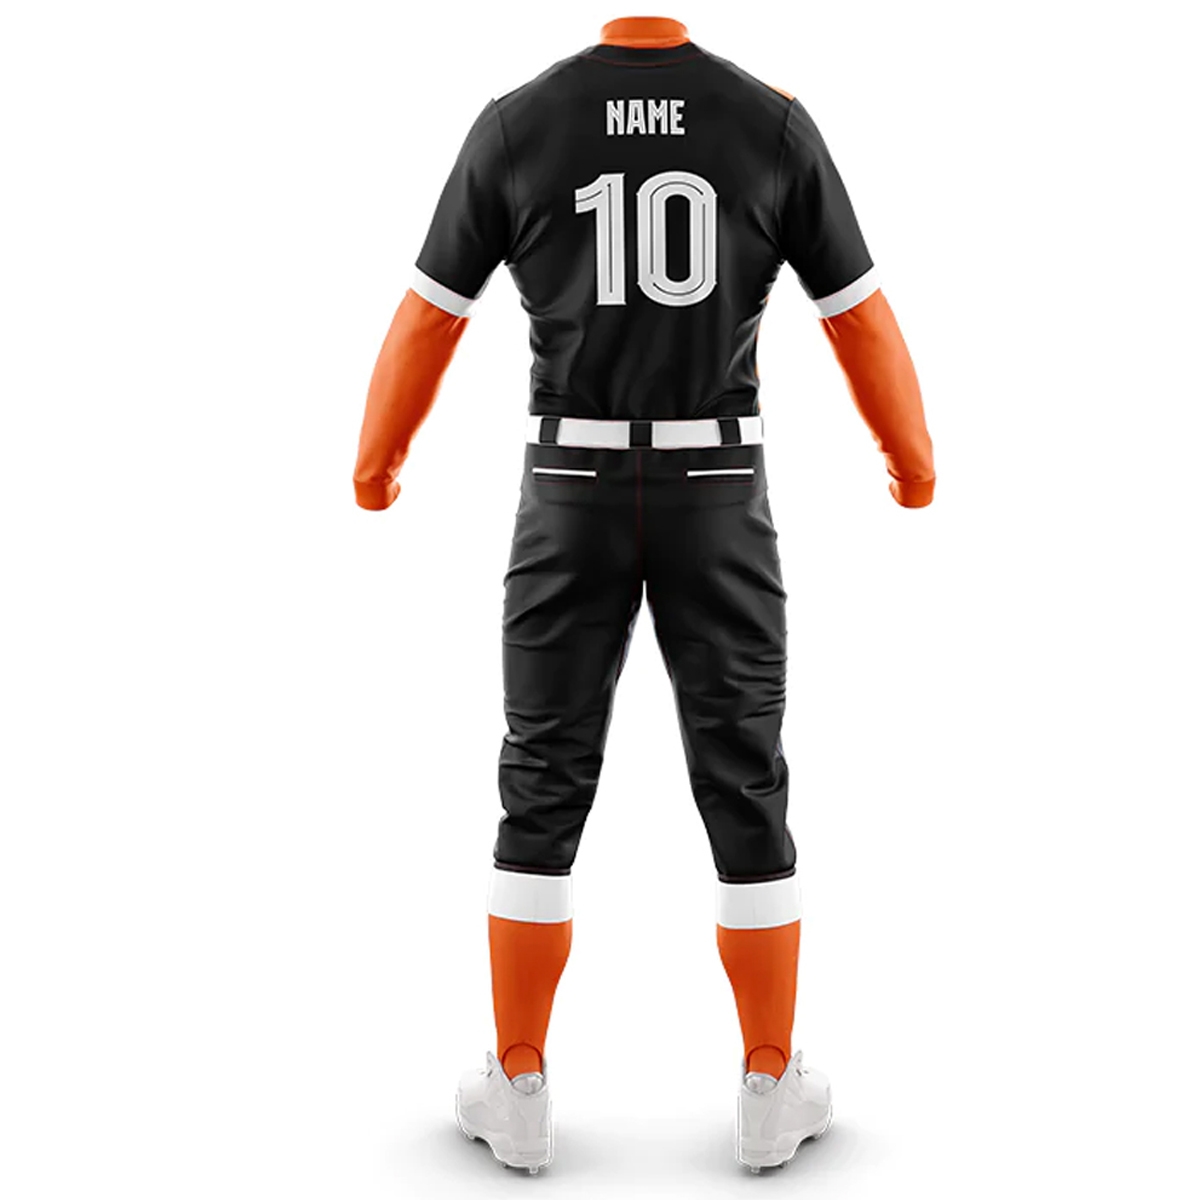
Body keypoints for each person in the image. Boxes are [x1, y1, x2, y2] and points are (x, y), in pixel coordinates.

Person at [353, 16, 935, 1175]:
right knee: (745, 769)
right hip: (716, 491)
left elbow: (431, 309)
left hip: (567, 488)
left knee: (541, 771)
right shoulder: (770, 123)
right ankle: (769, 1079)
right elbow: (856, 309)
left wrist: (377, 461)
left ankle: (519, 1078)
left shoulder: (518, 122)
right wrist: (911, 458)